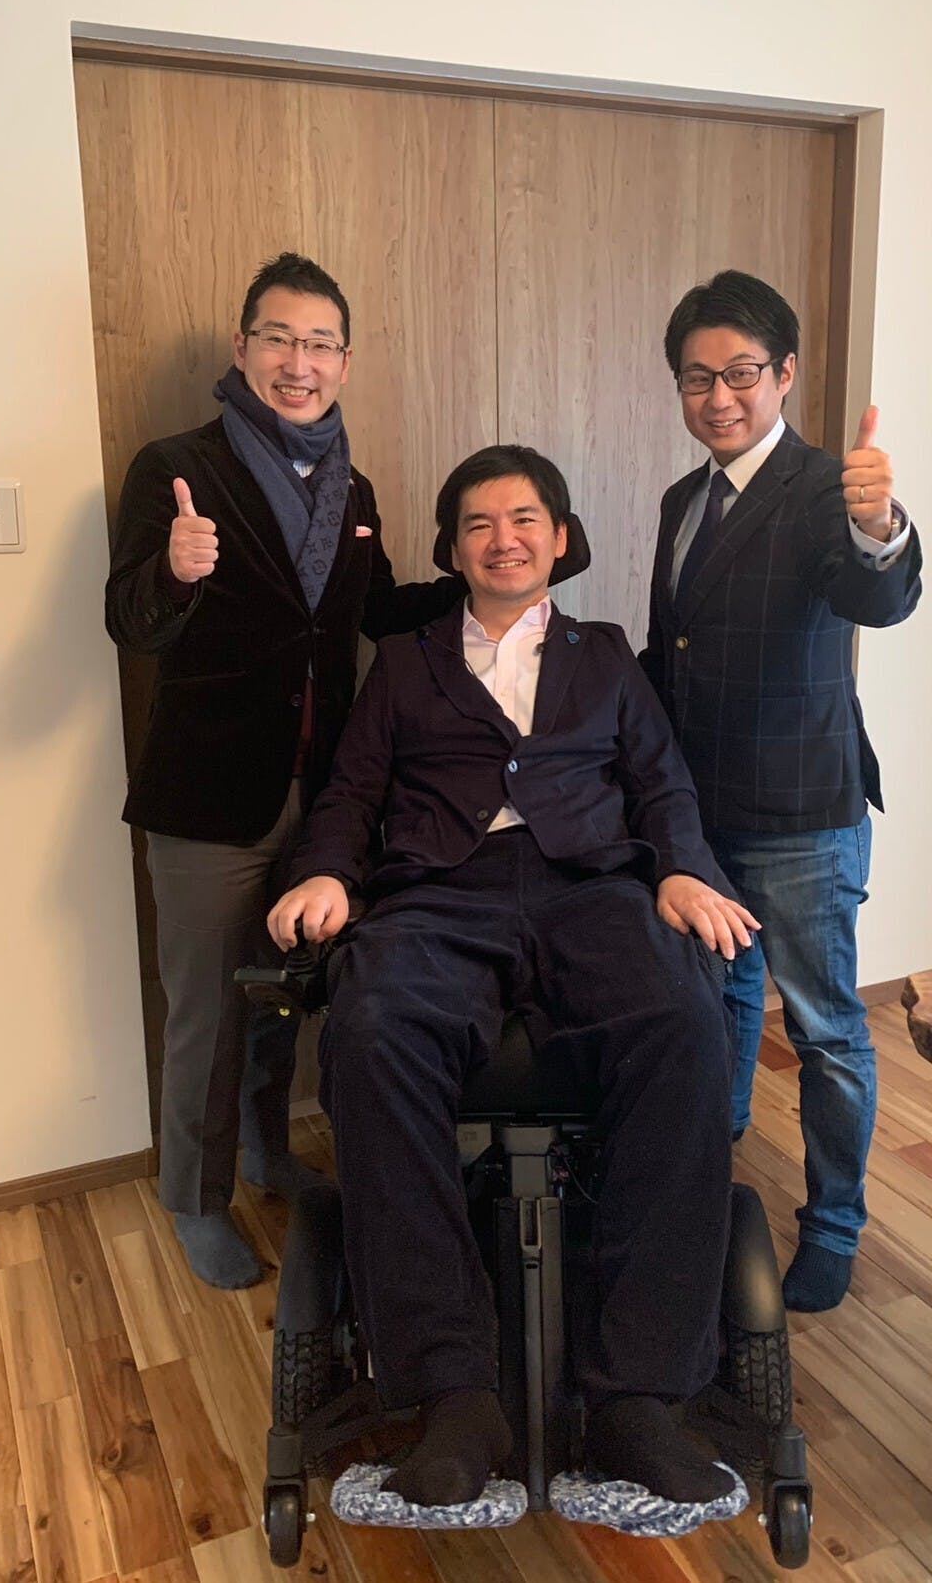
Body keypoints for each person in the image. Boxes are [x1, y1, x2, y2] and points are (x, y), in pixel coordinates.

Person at [267, 445, 758, 1514]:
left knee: (686, 1022)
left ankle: (636, 1398)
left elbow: (662, 784)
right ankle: (455, 1394)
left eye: (526, 518)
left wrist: (683, 868)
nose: (505, 539)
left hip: (594, 890)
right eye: (480, 523)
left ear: (560, 538)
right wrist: (325, 870)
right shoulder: (404, 663)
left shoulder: (605, 655)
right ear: (452, 549)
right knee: (371, 1031)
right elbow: (351, 792)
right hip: (441, 892)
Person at [106, 252, 466, 1288]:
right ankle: (194, 1199)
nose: (298, 362)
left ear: (344, 362)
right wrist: (174, 572)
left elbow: (374, 612)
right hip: (209, 797)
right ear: (243, 346)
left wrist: (489, 582)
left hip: (322, 796)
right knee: (206, 1013)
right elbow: (126, 620)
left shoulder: (352, 486)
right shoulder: (177, 465)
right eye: (279, 338)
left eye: (319, 344)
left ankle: (266, 1150)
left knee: (281, 995)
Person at [640, 269, 922, 1312]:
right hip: (701, 811)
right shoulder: (682, 501)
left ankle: (836, 1224)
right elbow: (671, 653)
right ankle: (710, 1158)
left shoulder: (826, 490)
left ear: (785, 373)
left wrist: (882, 525)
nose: (719, 396)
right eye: (697, 377)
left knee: (826, 1030)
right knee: (720, 996)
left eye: (742, 373)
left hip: (803, 814)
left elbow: (879, 595)